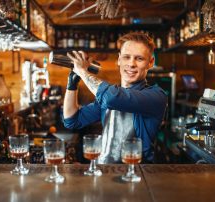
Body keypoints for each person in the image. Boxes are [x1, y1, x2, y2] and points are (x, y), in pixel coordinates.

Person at [63, 32, 167, 163]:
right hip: (105, 172)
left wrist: (83, 72)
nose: (131, 64)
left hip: (137, 174)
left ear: (150, 62)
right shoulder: (109, 94)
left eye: (139, 58)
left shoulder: (156, 96)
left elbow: (112, 98)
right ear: (119, 59)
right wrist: (72, 84)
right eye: (126, 57)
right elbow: (72, 120)